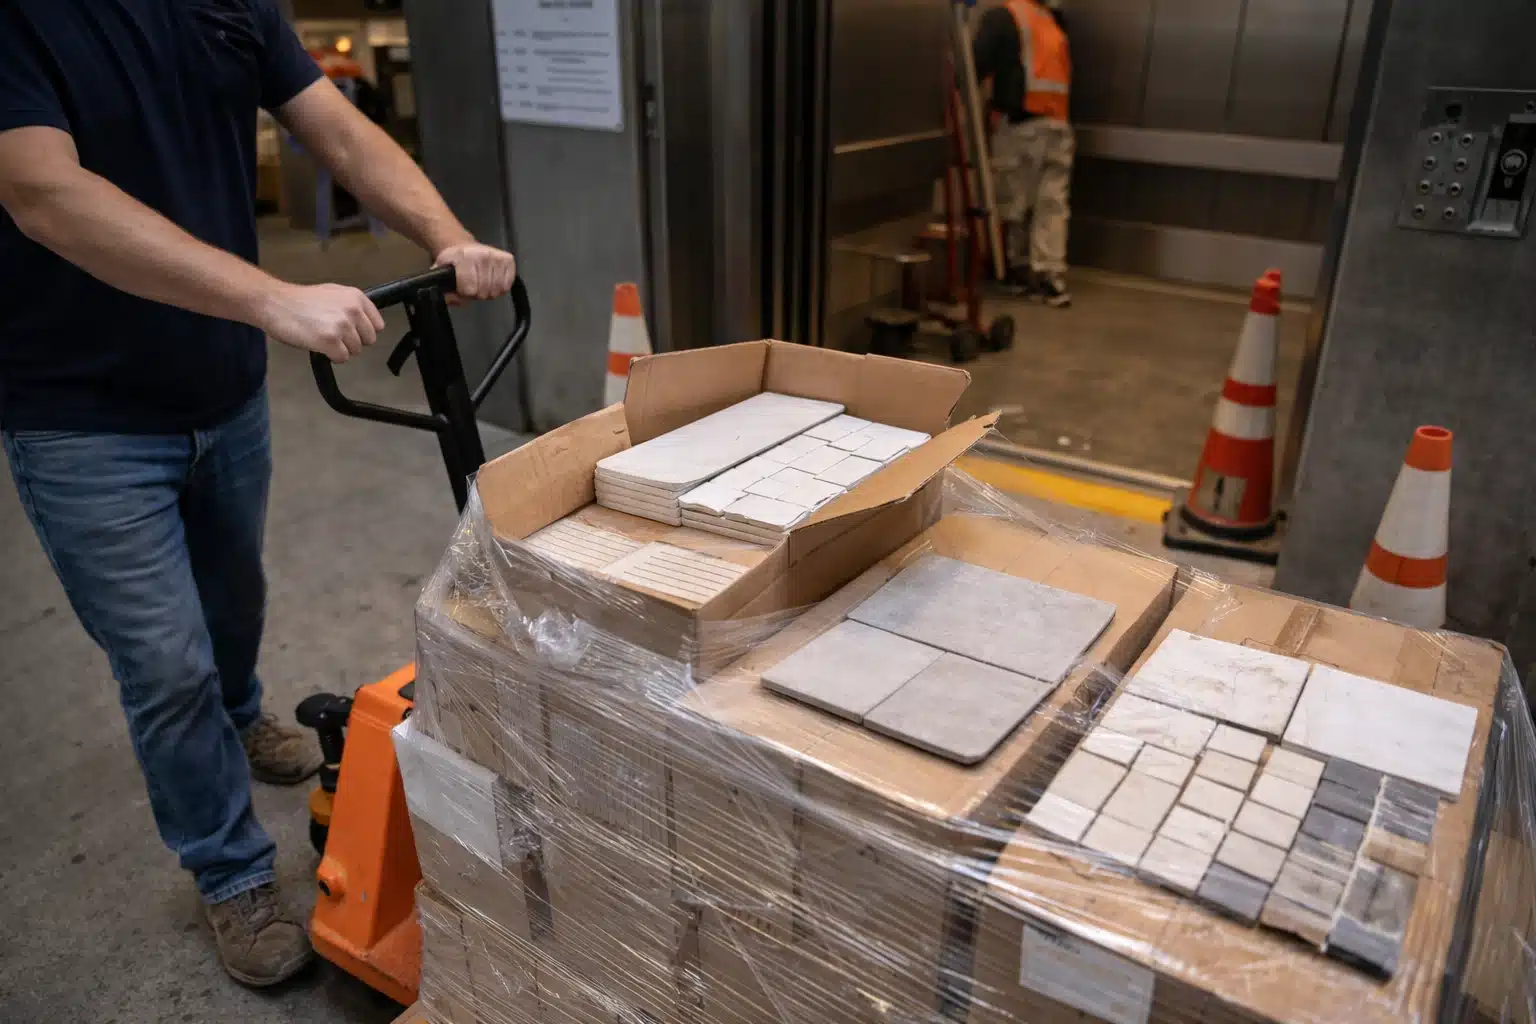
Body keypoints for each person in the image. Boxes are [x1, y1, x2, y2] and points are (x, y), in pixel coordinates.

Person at [0, 0, 517, 988]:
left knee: (234, 600)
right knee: (162, 662)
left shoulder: (232, 5)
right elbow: (41, 192)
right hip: (81, 413)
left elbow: (337, 129)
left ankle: (240, 716)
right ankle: (229, 867)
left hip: (224, 389)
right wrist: (272, 295)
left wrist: (445, 235)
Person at [973, 0, 1074, 307]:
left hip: (1021, 126)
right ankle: (1048, 277)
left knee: (1013, 200)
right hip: (1058, 124)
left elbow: (972, 65)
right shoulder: (1052, 20)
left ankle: (1015, 270)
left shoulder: (1006, 16)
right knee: (1052, 203)